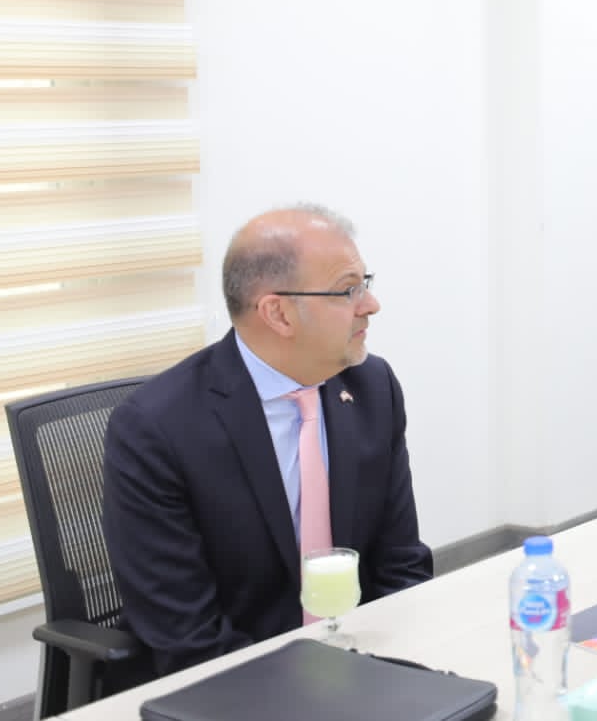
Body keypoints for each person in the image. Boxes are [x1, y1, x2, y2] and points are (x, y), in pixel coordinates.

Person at [103, 205, 433, 675]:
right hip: (233, 682)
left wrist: (396, 673)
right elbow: (188, 636)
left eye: (366, 283)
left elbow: (402, 566)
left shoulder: (371, 388)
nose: (370, 305)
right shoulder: (155, 430)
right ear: (278, 313)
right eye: (348, 290)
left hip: (360, 667)